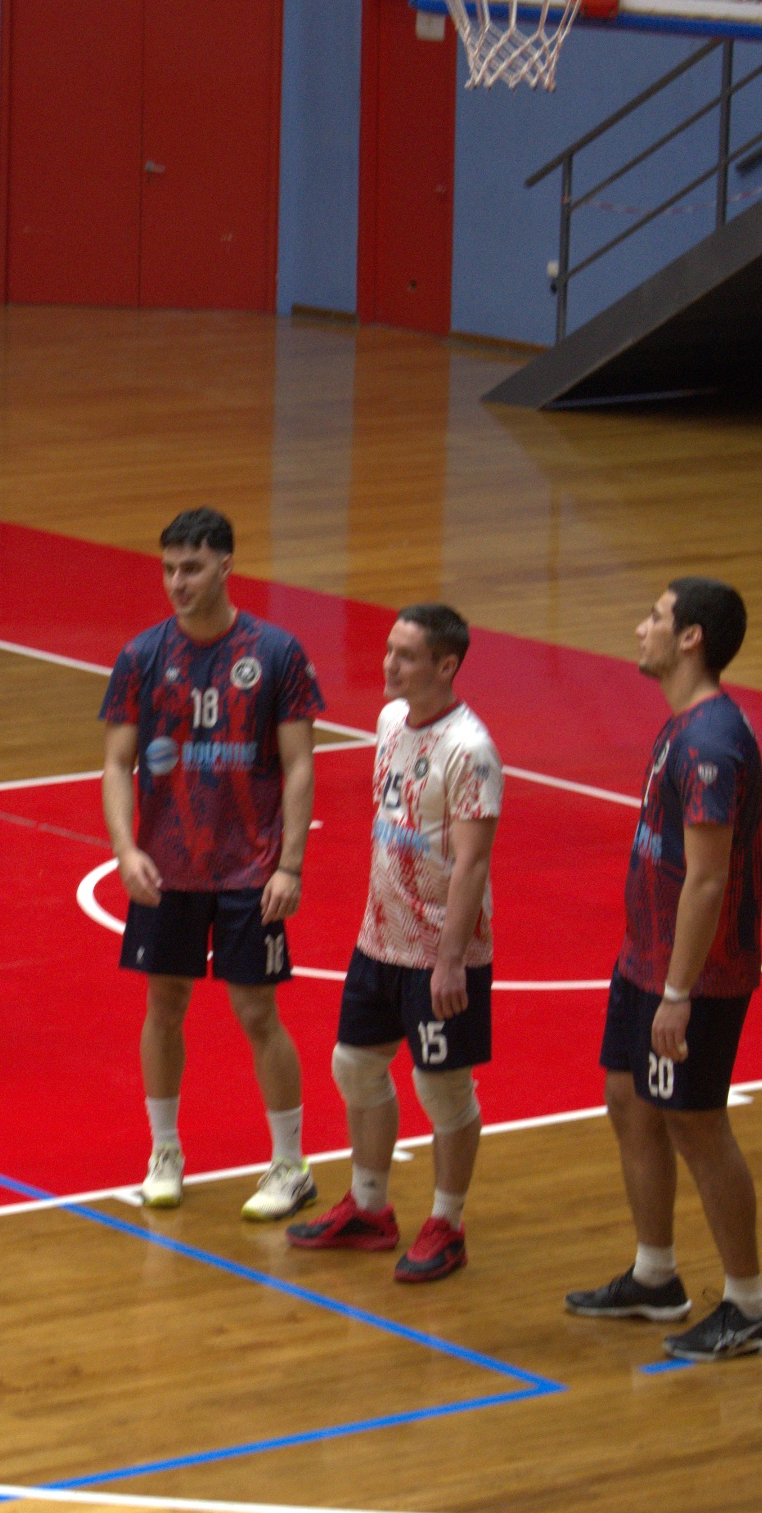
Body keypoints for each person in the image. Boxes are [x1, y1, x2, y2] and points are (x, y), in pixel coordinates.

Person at [565, 578, 762, 1362]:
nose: (640, 627)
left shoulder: (708, 743)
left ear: (690, 637)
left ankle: (749, 1306)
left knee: (695, 1121)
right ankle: (654, 1275)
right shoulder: (682, 726)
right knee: (628, 1098)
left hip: (693, 976)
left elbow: (708, 879)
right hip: (644, 959)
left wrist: (678, 992)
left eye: (654, 616)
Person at [101, 507, 324, 1221]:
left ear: (226, 565)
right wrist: (125, 848)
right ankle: (164, 1152)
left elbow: (298, 765)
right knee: (163, 1005)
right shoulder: (141, 655)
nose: (177, 582)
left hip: (247, 870)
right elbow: (115, 762)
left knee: (257, 1010)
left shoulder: (277, 652)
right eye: (168, 568)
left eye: (191, 567)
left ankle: (290, 1164)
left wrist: (289, 865)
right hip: (166, 869)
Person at [288, 605, 500, 1282]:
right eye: (388, 650)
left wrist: (449, 960)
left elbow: (471, 862)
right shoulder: (387, 722)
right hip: (379, 938)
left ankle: (448, 1223)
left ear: (446, 665)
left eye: (406, 655)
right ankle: (370, 1207)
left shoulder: (469, 750)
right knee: (354, 1066)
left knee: (442, 1089)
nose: (388, 664)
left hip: (441, 953)